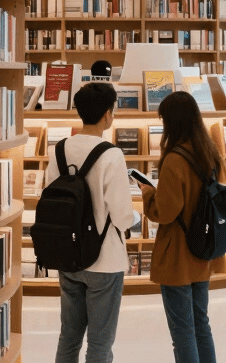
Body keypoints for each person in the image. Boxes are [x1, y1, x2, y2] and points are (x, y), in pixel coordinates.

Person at [46, 82, 136, 363]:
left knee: (69, 336)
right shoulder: (111, 154)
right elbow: (122, 215)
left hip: (67, 255)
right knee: (100, 342)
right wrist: (136, 217)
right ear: (108, 115)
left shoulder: (59, 150)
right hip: (104, 259)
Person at [140, 92, 222, 363]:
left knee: (182, 330)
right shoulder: (209, 152)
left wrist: (147, 193)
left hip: (178, 254)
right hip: (203, 248)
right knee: (201, 324)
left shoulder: (175, 159)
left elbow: (164, 212)